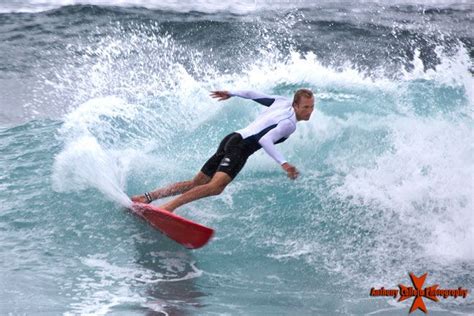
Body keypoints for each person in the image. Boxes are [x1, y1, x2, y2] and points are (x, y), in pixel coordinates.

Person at [131, 88, 315, 212]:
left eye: (312, 107)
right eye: (305, 107)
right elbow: (265, 139)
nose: (309, 111)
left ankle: (146, 197)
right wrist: (284, 163)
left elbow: (251, 93)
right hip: (240, 148)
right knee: (215, 187)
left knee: (196, 183)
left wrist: (231, 93)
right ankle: (167, 208)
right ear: (296, 105)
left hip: (231, 138)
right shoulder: (289, 124)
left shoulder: (281, 102)